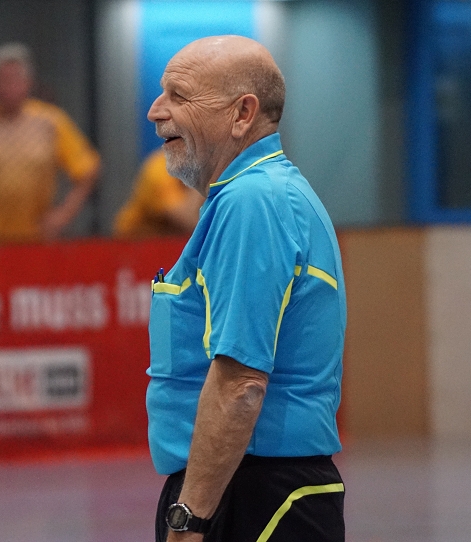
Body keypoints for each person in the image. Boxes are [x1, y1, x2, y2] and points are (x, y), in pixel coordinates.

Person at [146, 36, 346, 542]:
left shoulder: (253, 201)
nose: (155, 111)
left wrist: (189, 519)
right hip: (243, 485)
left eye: (178, 96)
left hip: (254, 494)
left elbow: (240, 384)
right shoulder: (255, 195)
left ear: (242, 114)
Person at [0, 42, 101, 245]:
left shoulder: (52, 122)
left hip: (37, 239)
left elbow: (88, 170)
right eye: (1, 80)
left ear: (28, 83)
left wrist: (63, 215)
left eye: (15, 80)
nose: (7, 88)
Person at [113, 148, 204, 239]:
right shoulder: (159, 169)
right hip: (132, 240)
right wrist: (203, 178)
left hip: (170, 239)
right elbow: (189, 221)